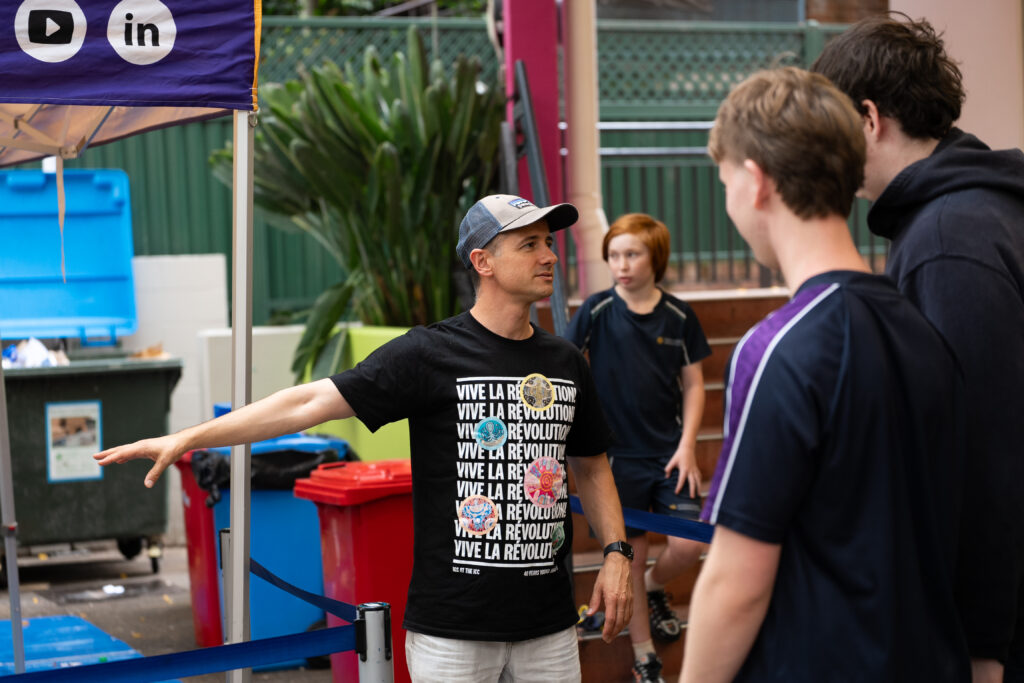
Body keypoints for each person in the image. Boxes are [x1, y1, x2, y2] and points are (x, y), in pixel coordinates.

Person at [94, 194, 634, 683]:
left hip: (551, 630)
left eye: (548, 242)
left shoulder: (564, 361)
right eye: (530, 244)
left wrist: (615, 553)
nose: (550, 256)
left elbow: (590, 463)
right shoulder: (429, 353)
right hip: (453, 634)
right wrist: (190, 437)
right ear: (483, 262)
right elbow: (307, 403)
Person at [679, 66, 970, 683]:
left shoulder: (779, 347)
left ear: (756, 182)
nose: (728, 199)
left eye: (726, 180)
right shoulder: (922, 330)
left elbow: (736, 584)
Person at [812, 16, 1024, 683]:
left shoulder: (948, 239)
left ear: (869, 118)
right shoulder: (973, 213)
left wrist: (983, 646)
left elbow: (987, 454)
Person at [564, 213, 710, 683]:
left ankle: (651, 588)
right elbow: (566, 368)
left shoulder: (680, 316)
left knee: (689, 544)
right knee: (631, 554)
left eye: (632, 254)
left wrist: (688, 446)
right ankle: (645, 657)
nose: (621, 264)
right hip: (615, 462)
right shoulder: (596, 310)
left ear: (656, 257)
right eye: (613, 256)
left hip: (668, 454)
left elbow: (694, 385)